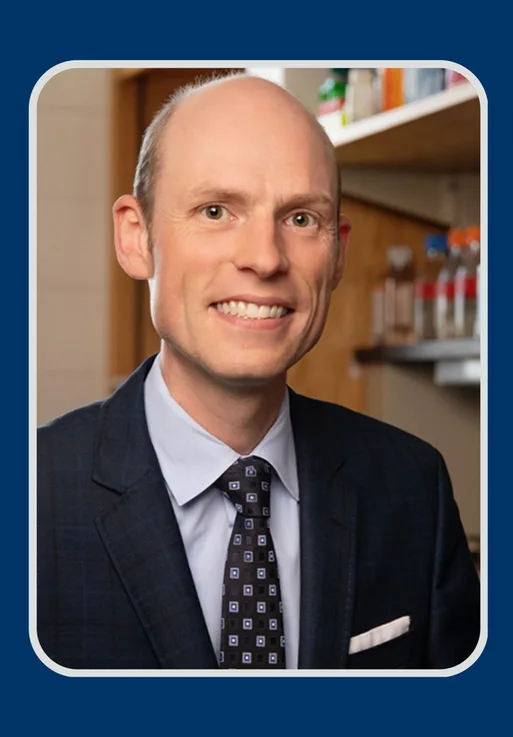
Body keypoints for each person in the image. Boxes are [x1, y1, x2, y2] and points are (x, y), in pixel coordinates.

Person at [36, 73, 480, 670]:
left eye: (300, 219)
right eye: (216, 210)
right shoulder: (32, 496)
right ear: (136, 238)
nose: (265, 258)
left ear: (338, 252)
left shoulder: (410, 486)